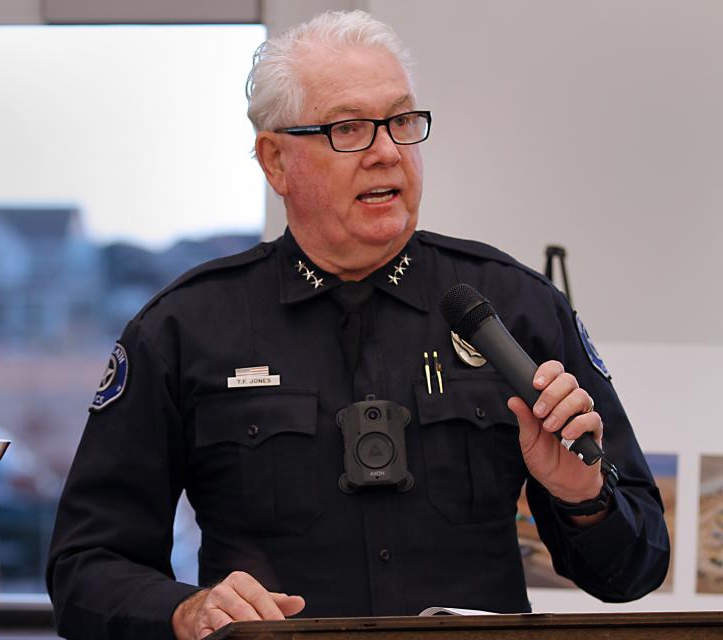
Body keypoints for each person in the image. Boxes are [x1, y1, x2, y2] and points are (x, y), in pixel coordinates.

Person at [47, 10, 669, 640]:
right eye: (349, 129)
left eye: (402, 122)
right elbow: (85, 570)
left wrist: (581, 499)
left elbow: (634, 570)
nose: (387, 153)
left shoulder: (513, 307)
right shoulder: (185, 327)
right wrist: (186, 610)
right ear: (275, 162)